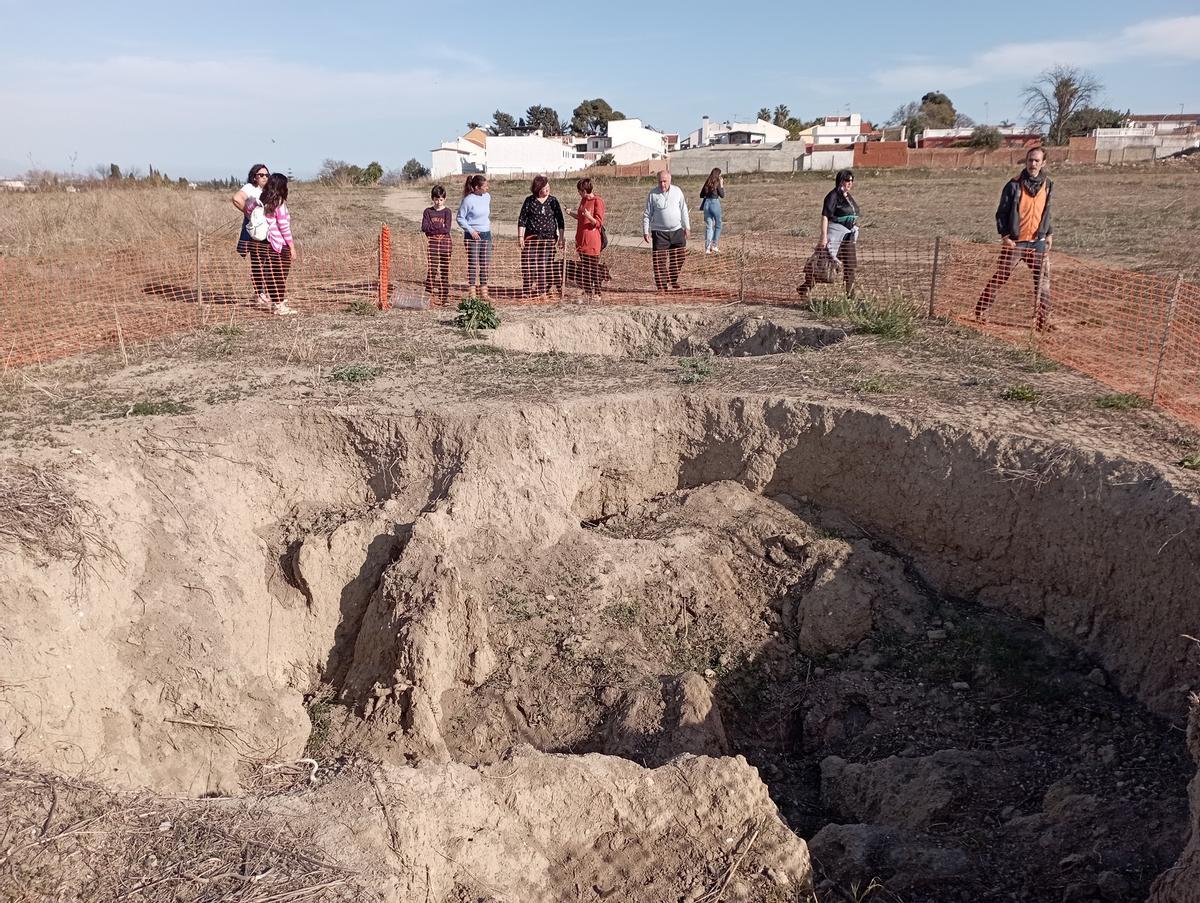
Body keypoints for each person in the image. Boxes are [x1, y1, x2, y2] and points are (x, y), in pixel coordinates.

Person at [975, 147, 1054, 330]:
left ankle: (1043, 321)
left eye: (1036, 161)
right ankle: (981, 311)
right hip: (1015, 242)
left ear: (1043, 163)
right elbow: (1001, 213)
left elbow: (1046, 211)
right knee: (1001, 276)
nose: (1032, 164)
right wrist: (1005, 236)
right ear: (1025, 162)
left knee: (1043, 281)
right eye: (1029, 160)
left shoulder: (1048, 185)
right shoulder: (1013, 185)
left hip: (1038, 242)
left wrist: (1049, 233)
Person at [797, 169, 860, 301]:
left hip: (848, 237)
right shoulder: (833, 196)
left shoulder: (848, 196)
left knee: (850, 265)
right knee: (824, 265)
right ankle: (804, 288)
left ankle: (851, 297)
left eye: (852, 180)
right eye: (847, 180)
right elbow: (825, 216)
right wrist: (823, 237)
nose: (850, 183)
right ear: (840, 180)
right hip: (835, 235)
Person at [247, 173, 297, 316]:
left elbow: (249, 210)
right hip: (279, 244)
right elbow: (284, 227)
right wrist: (291, 246)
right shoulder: (279, 203)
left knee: (271, 275)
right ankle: (278, 305)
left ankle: (276, 301)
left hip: (264, 242)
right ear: (281, 186)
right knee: (280, 275)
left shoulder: (261, 200)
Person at [517, 175, 565, 300]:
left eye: (548, 186)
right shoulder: (529, 201)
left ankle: (542, 291)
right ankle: (526, 291)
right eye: (545, 187)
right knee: (528, 264)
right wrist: (520, 237)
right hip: (531, 239)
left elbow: (560, 220)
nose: (548, 189)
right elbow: (522, 220)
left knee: (544, 265)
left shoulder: (553, 201)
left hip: (548, 240)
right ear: (538, 188)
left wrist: (561, 238)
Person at [642, 169, 690, 292]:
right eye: (660, 182)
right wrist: (646, 230)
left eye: (665, 181)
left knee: (680, 256)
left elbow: (683, 209)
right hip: (659, 233)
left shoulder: (677, 191)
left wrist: (687, 227)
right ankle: (662, 287)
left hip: (677, 230)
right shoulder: (653, 194)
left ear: (670, 180)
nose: (662, 184)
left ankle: (672, 278)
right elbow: (647, 214)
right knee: (659, 261)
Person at [232, 163, 271, 306]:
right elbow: (237, 198)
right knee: (258, 262)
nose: (264, 177)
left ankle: (266, 293)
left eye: (267, 175)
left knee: (268, 262)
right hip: (255, 232)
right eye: (261, 175)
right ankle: (259, 294)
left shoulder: (269, 189)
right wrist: (250, 214)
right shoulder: (250, 188)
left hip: (269, 231)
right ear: (254, 177)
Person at [567, 177, 606, 301]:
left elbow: (598, 223)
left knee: (593, 268)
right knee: (585, 268)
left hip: (592, 240)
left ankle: (598, 293)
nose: (579, 193)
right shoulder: (583, 200)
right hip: (581, 239)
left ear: (584, 190)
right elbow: (580, 217)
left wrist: (590, 217)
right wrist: (570, 213)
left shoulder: (597, 201)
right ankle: (588, 292)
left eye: (579, 191)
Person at [457, 174, 492, 301]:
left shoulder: (487, 197)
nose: (487, 187)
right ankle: (472, 294)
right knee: (473, 264)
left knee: (485, 264)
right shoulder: (468, 200)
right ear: (477, 187)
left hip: (486, 235)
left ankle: (484, 293)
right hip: (472, 236)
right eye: (485, 186)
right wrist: (471, 231)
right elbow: (460, 218)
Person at [421, 185, 453, 306]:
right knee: (432, 270)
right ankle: (427, 295)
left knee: (444, 270)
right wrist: (440, 227)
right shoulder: (428, 212)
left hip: (445, 245)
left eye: (441, 199)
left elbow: (447, 229)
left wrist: (433, 228)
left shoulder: (447, 212)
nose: (438, 202)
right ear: (432, 198)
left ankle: (444, 296)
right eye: (436, 199)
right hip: (433, 245)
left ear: (444, 199)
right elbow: (424, 228)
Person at [699, 167, 725, 254]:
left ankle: (707, 248)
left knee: (709, 226)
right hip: (715, 203)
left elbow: (701, 194)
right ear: (718, 175)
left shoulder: (708, 182)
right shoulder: (717, 182)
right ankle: (714, 245)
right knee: (718, 225)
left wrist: (708, 192)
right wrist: (721, 185)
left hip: (706, 204)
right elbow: (722, 195)